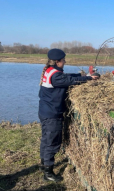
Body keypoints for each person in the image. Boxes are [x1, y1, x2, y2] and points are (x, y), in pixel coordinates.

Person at [38, 48, 99, 182]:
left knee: (46, 139)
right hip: (52, 113)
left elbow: (67, 77)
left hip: (45, 111)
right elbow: (70, 81)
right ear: (58, 61)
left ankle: (43, 165)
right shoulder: (55, 76)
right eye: (64, 59)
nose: (65, 61)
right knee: (52, 142)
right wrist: (88, 78)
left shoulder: (50, 71)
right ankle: (48, 172)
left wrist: (80, 74)